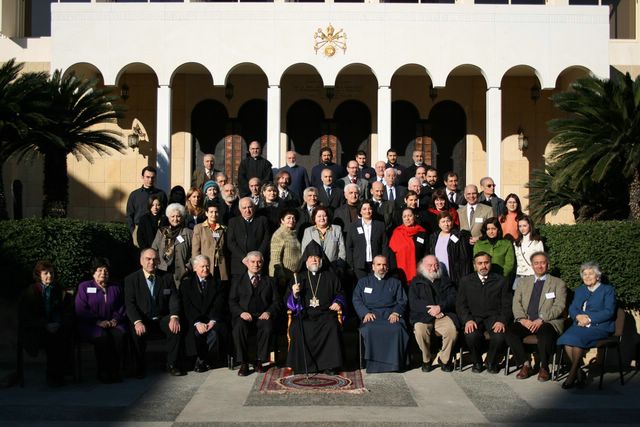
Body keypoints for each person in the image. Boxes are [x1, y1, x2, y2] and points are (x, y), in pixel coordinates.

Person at [505, 252, 567, 382]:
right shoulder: (522, 282)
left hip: (548, 321)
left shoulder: (558, 283)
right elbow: (516, 302)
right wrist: (522, 319)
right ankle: (525, 364)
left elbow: (559, 306)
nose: (539, 266)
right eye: (536, 263)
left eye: (542, 263)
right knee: (510, 332)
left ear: (547, 265)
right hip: (527, 320)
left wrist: (542, 318)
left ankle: (544, 367)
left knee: (545, 334)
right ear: (532, 265)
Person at [286, 241, 346, 374]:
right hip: (305, 314)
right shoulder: (298, 277)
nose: (314, 260)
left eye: (317, 257)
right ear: (306, 261)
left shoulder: (331, 276)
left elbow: (340, 293)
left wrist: (338, 302)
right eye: (311, 257)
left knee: (332, 325)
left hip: (325, 313)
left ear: (321, 260)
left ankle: (329, 365)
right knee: (296, 327)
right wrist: (295, 295)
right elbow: (288, 301)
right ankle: (301, 365)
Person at [124, 248, 183, 377]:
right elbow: (130, 304)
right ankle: (138, 366)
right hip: (143, 318)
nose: (151, 262)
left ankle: (172, 364)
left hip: (161, 318)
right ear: (141, 261)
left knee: (175, 327)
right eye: (148, 259)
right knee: (135, 330)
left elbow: (174, 298)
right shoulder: (131, 280)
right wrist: (137, 321)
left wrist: (174, 317)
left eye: (154, 259)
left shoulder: (166, 277)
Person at [557, 262, 616, 389]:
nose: (587, 277)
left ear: (598, 276)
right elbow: (573, 308)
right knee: (567, 341)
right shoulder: (580, 290)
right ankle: (579, 373)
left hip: (599, 326)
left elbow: (609, 311)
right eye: (585, 274)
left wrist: (589, 319)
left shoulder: (608, 290)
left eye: (591, 274)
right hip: (579, 324)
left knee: (576, 341)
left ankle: (572, 375)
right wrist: (577, 316)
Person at [456, 252, 512, 373]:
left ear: (490, 263)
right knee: (471, 335)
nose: (483, 266)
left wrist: (501, 321)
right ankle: (477, 362)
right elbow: (461, 305)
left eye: (486, 262)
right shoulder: (465, 281)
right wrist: (467, 320)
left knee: (499, 336)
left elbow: (507, 305)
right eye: (480, 263)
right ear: (475, 265)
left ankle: (491, 362)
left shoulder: (501, 281)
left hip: (494, 317)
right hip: (473, 317)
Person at [353, 255, 409, 373]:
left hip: (390, 315)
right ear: (373, 267)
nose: (381, 267)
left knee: (398, 329)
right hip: (371, 315)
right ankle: (373, 365)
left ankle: (394, 365)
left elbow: (402, 300)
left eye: (384, 265)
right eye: (378, 265)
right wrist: (365, 313)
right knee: (369, 329)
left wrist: (396, 312)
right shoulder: (363, 282)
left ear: (387, 267)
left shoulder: (395, 283)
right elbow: (356, 299)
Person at [18, 261, 70, 386]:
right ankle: (53, 376)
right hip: (36, 328)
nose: (49, 276)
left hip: (55, 326)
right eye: (46, 273)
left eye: (51, 273)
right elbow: (27, 315)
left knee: (63, 335)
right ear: (39, 275)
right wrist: (45, 324)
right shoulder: (31, 291)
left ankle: (61, 374)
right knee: (52, 339)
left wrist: (57, 323)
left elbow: (63, 310)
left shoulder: (57, 289)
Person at [74, 257, 126, 383]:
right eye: (99, 270)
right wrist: (97, 321)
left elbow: (121, 306)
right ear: (93, 273)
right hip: (91, 324)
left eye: (105, 270)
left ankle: (115, 371)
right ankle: (103, 371)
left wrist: (115, 319)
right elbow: (80, 308)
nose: (103, 273)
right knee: (102, 337)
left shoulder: (116, 287)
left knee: (120, 335)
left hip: (113, 323)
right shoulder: (84, 287)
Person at [229, 251, 280, 376]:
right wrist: (241, 313)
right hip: (244, 315)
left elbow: (277, 302)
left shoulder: (270, 281)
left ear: (262, 263)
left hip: (262, 315)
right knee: (238, 328)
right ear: (247, 263)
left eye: (259, 262)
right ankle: (244, 363)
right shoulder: (237, 281)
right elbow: (232, 301)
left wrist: (268, 312)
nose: (256, 265)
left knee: (267, 327)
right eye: (252, 262)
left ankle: (260, 361)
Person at [409, 255, 459, 372]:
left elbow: (453, 298)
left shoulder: (445, 280)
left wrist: (440, 308)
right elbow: (414, 302)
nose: (434, 268)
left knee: (452, 331)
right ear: (422, 267)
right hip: (423, 316)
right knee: (420, 331)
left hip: (443, 314)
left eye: (436, 265)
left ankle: (444, 359)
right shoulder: (416, 282)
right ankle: (426, 359)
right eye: (430, 265)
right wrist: (432, 311)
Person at [180, 255, 228, 373]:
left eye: (207, 266)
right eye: (202, 266)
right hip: (194, 320)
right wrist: (197, 322)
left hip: (211, 319)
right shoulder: (186, 285)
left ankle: (203, 360)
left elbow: (218, 304)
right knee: (194, 334)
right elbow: (187, 307)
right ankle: (199, 359)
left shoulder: (217, 283)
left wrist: (212, 320)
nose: (205, 269)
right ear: (195, 268)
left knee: (215, 333)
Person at [227, 197, 271, 280]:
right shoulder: (233, 222)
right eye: (244, 208)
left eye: (250, 207)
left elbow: (266, 239)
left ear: (254, 207)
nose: (247, 210)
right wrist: (243, 258)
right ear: (240, 209)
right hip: (240, 264)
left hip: (258, 264)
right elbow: (231, 242)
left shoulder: (262, 220)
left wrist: (257, 256)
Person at [152, 203, 193, 289]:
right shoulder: (162, 231)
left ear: (182, 217)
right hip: (163, 271)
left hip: (181, 273)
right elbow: (154, 250)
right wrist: (156, 264)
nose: (175, 219)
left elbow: (194, 253)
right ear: (168, 217)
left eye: (178, 216)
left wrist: (188, 267)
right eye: (172, 216)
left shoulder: (189, 233)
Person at [346, 201, 388, 279]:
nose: (367, 211)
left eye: (369, 209)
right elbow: (349, 247)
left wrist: (383, 261)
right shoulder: (353, 226)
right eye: (364, 209)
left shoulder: (380, 225)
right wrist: (351, 265)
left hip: (376, 264)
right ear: (360, 211)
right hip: (359, 264)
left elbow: (384, 245)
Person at [428, 211, 471, 287]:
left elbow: (464, 258)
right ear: (439, 224)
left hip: (454, 276)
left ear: (452, 222)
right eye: (443, 221)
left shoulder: (458, 236)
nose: (446, 224)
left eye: (448, 221)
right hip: (438, 275)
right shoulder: (434, 237)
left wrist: (464, 278)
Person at [126, 166, 168, 241]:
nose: (150, 180)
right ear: (142, 177)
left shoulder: (161, 194)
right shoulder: (134, 195)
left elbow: (165, 213)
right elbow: (129, 215)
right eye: (147, 177)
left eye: (152, 177)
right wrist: (133, 231)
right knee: (139, 252)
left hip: (157, 230)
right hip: (139, 229)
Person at [192, 203, 228, 286]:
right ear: (206, 213)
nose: (214, 214)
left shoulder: (223, 229)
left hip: (220, 266)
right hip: (206, 266)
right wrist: (196, 266)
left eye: (216, 212)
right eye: (211, 212)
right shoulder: (199, 228)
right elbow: (195, 250)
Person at [389, 208, 428, 285]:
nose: (407, 218)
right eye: (405, 216)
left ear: (414, 216)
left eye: (410, 216)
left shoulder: (422, 232)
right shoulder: (397, 233)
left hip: (419, 271)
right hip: (401, 273)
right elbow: (392, 253)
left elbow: (426, 252)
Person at [269, 209, 302, 290]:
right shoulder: (279, 234)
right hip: (282, 276)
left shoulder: (293, 233)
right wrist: (281, 276)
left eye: (293, 218)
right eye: (289, 218)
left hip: (293, 275)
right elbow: (275, 259)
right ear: (282, 220)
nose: (291, 220)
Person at [513, 216, 545, 289]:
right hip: (519, 275)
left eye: (525, 226)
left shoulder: (537, 242)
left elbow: (541, 260)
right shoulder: (516, 243)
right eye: (520, 226)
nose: (522, 228)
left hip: (533, 275)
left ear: (530, 226)